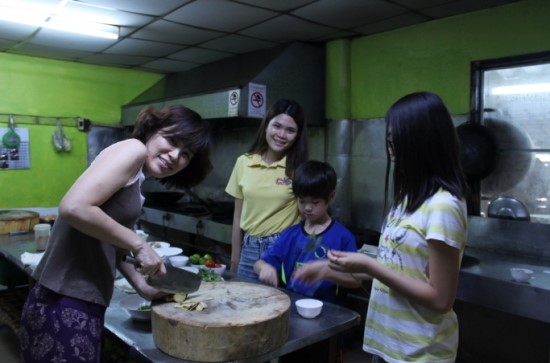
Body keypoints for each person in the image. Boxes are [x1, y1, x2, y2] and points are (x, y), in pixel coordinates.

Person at [18, 104, 213, 363]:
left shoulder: (136, 177)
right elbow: (73, 206)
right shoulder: (133, 149)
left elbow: (113, 247)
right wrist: (140, 245)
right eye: (172, 140)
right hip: (63, 300)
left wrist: (145, 286)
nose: (175, 155)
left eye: (186, 153)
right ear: (153, 130)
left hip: (75, 299)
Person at [296, 91, 469, 363]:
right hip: (387, 345)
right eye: (389, 140)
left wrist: (369, 266)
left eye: (396, 141)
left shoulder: (444, 206)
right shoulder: (406, 200)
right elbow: (398, 266)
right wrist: (329, 269)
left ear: (423, 141)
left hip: (419, 353)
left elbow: (440, 299)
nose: (391, 149)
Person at [254, 160, 361, 302]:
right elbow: (258, 263)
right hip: (291, 304)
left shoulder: (343, 237)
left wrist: (328, 273)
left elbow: (356, 280)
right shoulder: (290, 235)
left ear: (331, 196)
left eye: (315, 202)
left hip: (326, 309)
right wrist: (265, 268)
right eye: (302, 201)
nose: (307, 208)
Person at [225, 99, 308, 279]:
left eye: (290, 130)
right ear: (266, 126)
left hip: (284, 249)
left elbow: (306, 219)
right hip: (249, 249)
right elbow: (237, 216)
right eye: (276, 126)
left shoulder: (300, 169)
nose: (281, 134)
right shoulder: (244, 162)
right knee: (245, 303)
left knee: (281, 305)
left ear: (298, 135)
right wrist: (234, 259)